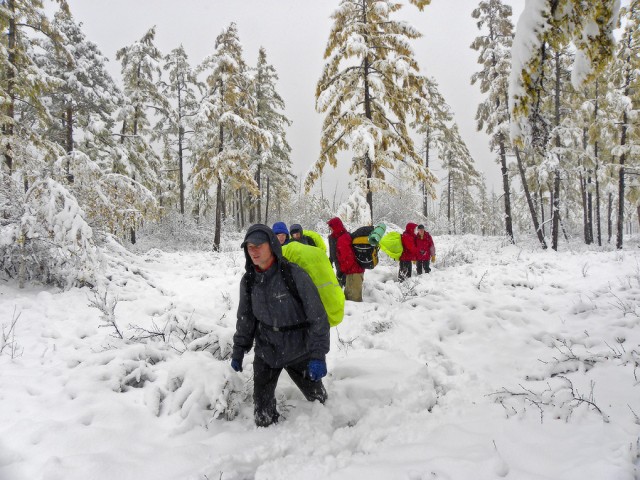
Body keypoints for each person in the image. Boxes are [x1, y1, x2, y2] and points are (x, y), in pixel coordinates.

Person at [231, 224, 330, 427]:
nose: (254, 251)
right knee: (262, 417)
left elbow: (318, 317)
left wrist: (318, 354)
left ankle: (326, 428)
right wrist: (239, 349)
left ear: (272, 246)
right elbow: (245, 318)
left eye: (259, 245)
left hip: (299, 350)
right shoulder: (249, 281)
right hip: (267, 351)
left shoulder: (294, 275)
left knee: (319, 401)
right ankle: (268, 443)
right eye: (249, 246)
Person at [327, 217, 364, 302]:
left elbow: (348, 257)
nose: (330, 229)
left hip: (350, 269)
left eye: (331, 227)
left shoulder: (344, 238)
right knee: (347, 295)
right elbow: (333, 253)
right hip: (344, 268)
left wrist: (342, 270)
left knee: (353, 298)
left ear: (336, 227)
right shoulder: (333, 238)